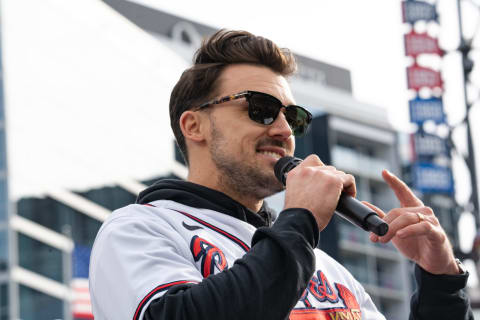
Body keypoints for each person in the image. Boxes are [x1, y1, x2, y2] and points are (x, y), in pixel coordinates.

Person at [89, 29, 473, 320]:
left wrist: (440, 282)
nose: (284, 130)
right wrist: (301, 220)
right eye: (260, 108)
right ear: (194, 126)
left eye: (293, 117)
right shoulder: (140, 228)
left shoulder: (328, 269)